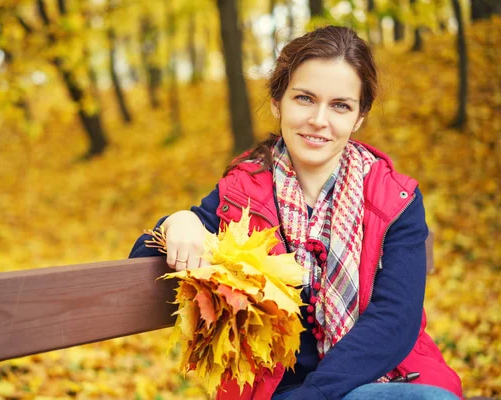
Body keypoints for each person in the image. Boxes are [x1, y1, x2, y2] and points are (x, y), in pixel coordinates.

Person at [129, 25, 462, 400]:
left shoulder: (394, 199)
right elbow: (144, 263)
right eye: (305, 98)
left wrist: (315, 394)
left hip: (382, 379)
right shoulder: (242, 194)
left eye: (340, 105)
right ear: (278, 102)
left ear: (359, 117)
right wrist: (179, 221)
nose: (319, 119)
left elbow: (395, 322)